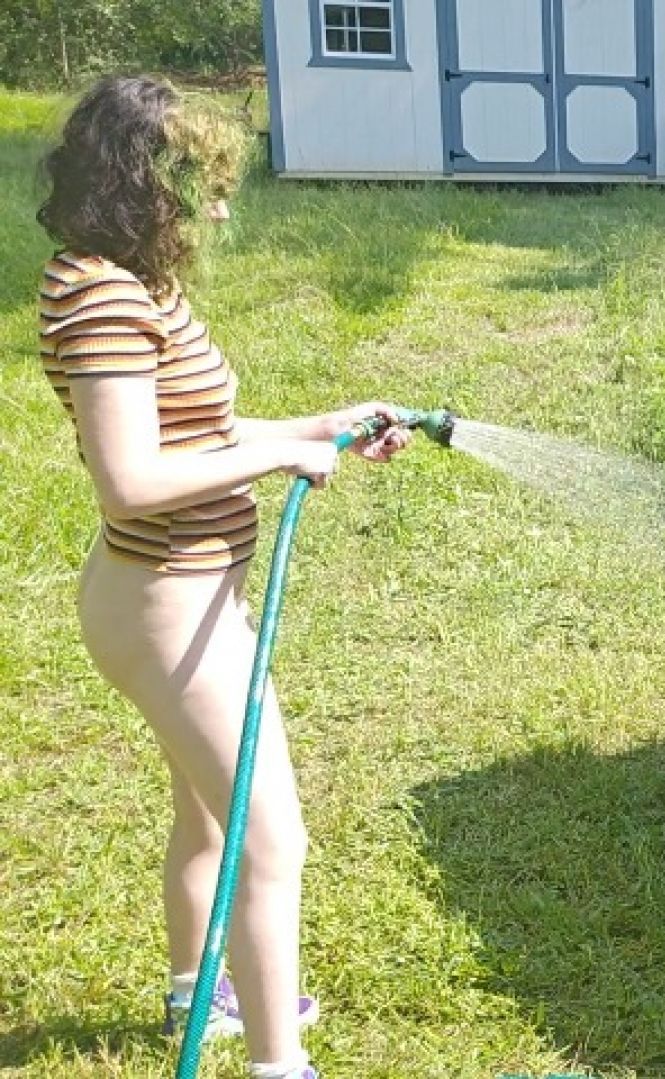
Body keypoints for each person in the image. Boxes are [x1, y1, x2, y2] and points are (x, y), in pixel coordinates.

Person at [35, 75, 409, 1079]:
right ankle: (280, 1065)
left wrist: (318, 425)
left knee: (208, 811)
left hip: (183, 600)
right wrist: (280, 458)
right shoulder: (102, 297)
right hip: (167, 608)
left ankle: (199, 991)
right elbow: (129, 481)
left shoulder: (133, 282)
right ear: (143, 184)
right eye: (202, 185)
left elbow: (197, 428)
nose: (220, 209)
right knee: (269, 839)